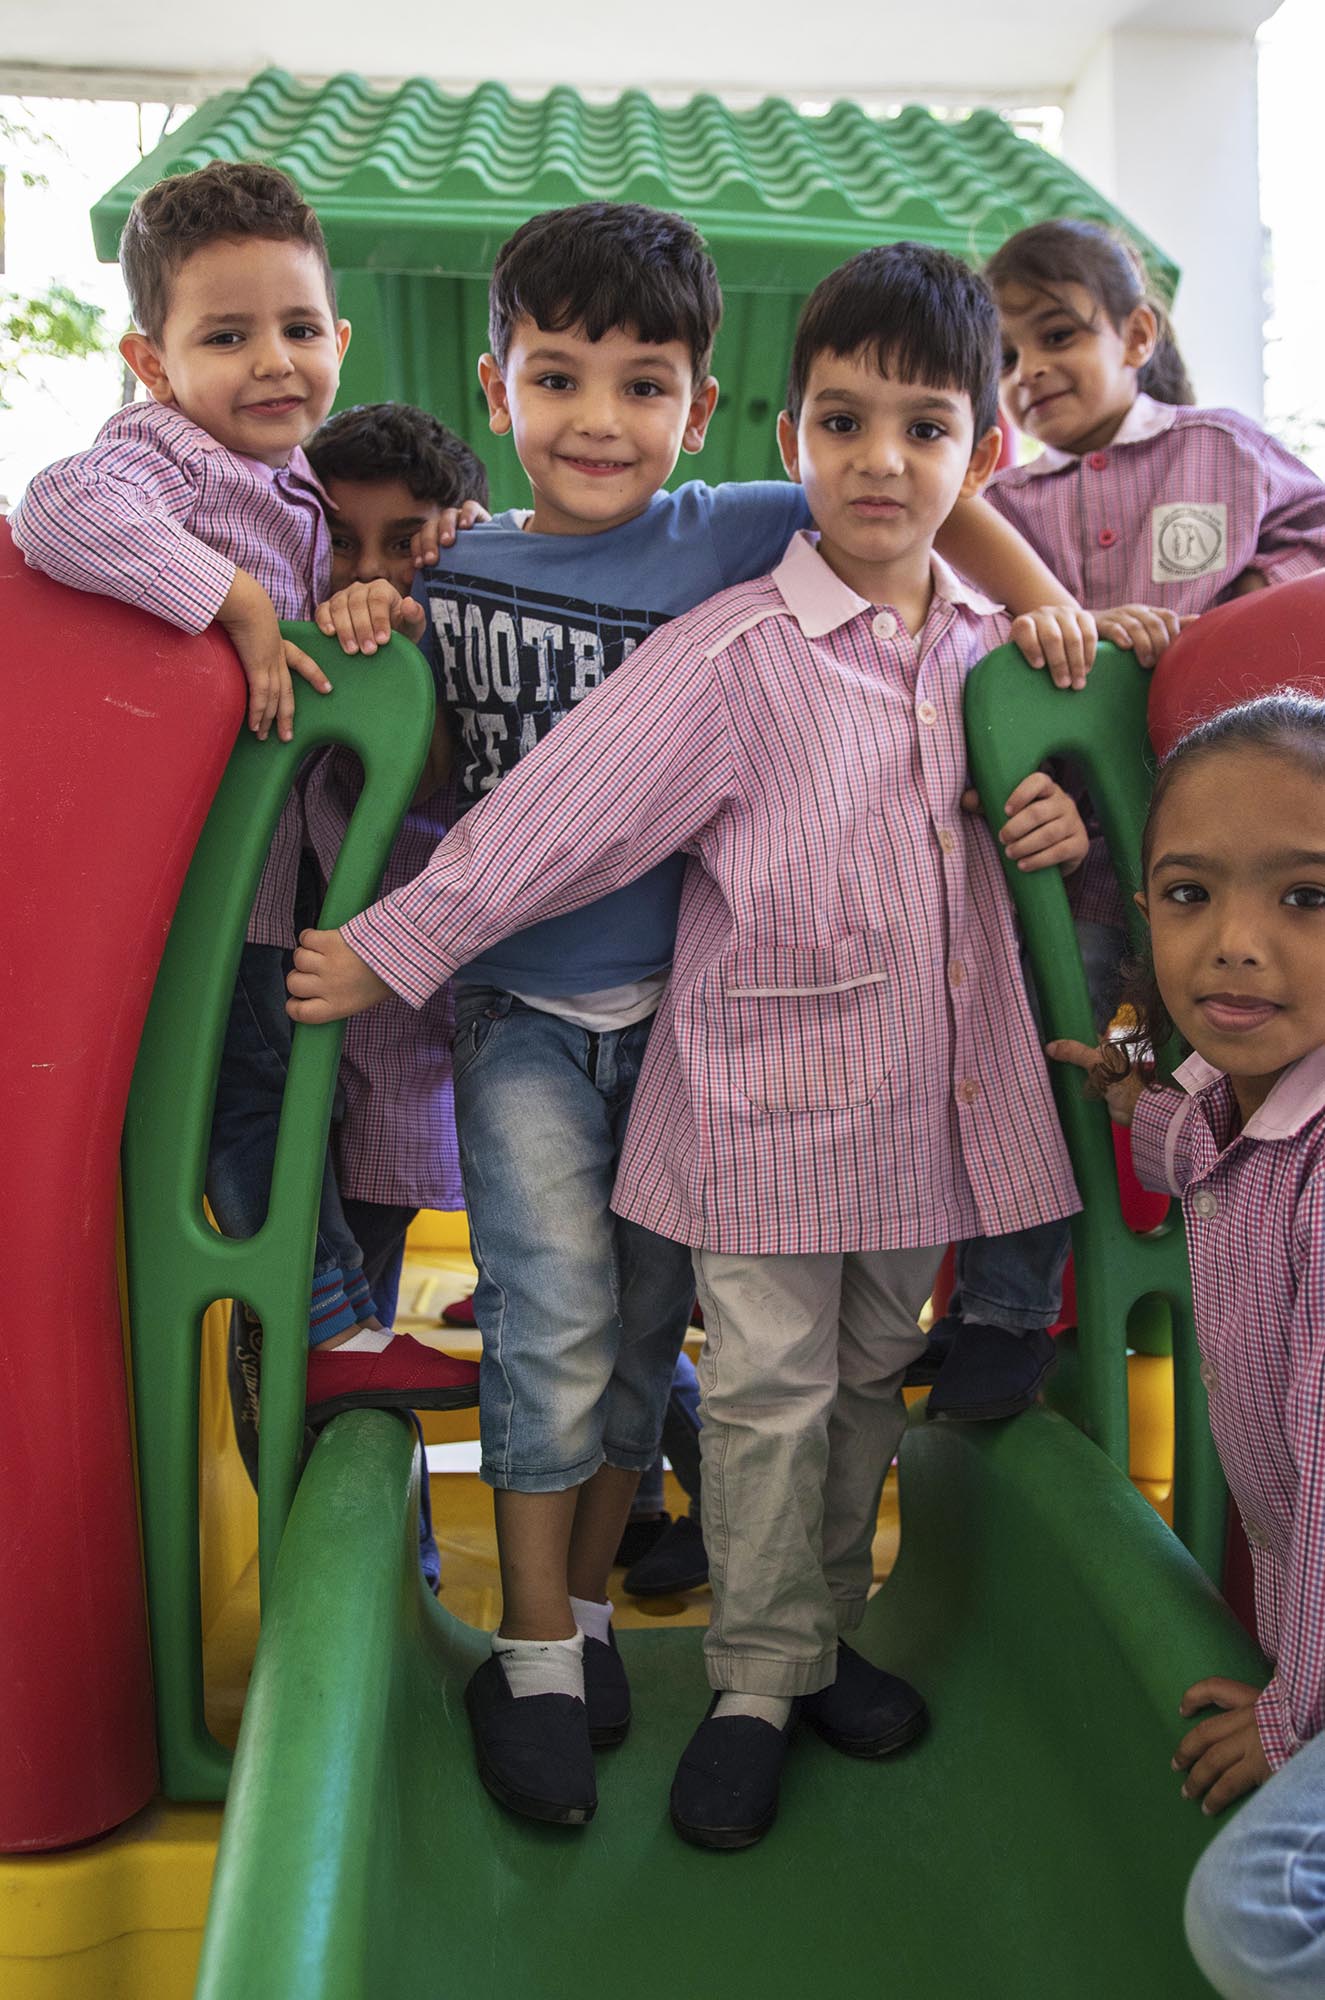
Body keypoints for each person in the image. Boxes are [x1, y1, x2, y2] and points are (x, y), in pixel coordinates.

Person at [289, 239, 1092, 1845]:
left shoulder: (966, 654)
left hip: (907, 1111)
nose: (881, 461)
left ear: (980, 454)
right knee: (707, 1370)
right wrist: (393, 945)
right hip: (714, 1081)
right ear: (786, 442)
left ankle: (794, 1649)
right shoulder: (728, 635)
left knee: (855, 1373)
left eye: (924, 432)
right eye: (844, 427)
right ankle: (708, 1671)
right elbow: (555, 819)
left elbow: (994, 806)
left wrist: (1057, 713)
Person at [9, 162, 478, 1423]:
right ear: (151, 364)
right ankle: (322, 1325)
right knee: (255, 1097)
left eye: (297, 328)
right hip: (201, 899)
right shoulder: (170, 457)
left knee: (284, 1094)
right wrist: (238, 602)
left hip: (267, 889)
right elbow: (59, 506)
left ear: (339, 335)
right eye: (226, 336)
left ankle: (311, 1333)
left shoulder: (294, 488)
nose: (272, 362)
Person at [922, 218, 1325, 1424]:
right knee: (1051, 1062)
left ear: (1134, 335)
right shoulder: (1004, 497)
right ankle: (1002, 1311)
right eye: (1006, 353)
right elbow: (964, 642)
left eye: (1057, 336)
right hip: (1075, 868)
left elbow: (1304, 556)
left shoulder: (1218, 451)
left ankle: (1231, 1305)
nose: (1030, 370)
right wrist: (1070, 643)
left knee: (1219, 1075)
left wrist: (1210, 628)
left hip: (1222, 871)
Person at [1052, 693, 1325, 1999]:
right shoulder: (1237, 1097)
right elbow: (1196, 1151)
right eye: (1185, 894)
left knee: (1253, 1919)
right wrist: (1121, 1079)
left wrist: (1286, 1715)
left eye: (1305, 900)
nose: (1234, 947)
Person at [226, 403, 491, 1520]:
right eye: (344, 540)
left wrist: (458, 575)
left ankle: (397, 1553)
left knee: (363, 1339)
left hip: (385, 1064)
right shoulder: (273, 644)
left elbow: (428, 777)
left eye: (405, 541)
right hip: (277, 1026)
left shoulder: (453, 652)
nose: (369, 571)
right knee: (282, 1317)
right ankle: (333, 1551)